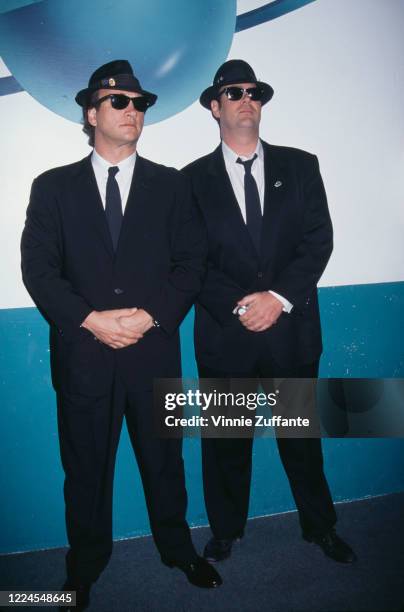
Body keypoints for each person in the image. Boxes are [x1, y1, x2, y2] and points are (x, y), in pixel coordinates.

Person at [21, 59, 221, 610]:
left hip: (152, 352)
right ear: (91, 113)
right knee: (85, 469)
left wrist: (148, 316)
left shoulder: (172, 186)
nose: (133, 111)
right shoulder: (53, 187)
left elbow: (191, 264)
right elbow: (38, 269)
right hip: (84, 356)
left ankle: (178, 550)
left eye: (140, 104)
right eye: (120, 102)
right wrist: (90, 320)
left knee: (165, 463)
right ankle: (83, 568)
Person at [183, 60, 356, 565]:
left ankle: (320, 527)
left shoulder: (302, 166)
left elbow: (317, 241)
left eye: (253, 92)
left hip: (291, 333)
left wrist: (276, 299)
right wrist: (241, 307)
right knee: (226, 445)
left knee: (302, 441)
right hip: (225, 336)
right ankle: (225, 531)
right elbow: (188, 260)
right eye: (232, 93)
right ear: (215, 108)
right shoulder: (189, 181)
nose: (245, 99)